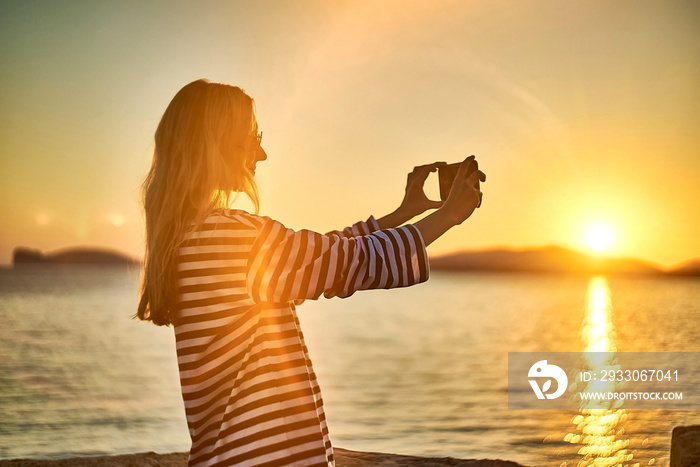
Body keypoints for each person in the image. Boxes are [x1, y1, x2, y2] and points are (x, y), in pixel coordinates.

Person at [137, 79, 485, 467]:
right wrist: (448, 216)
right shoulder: (231, 236)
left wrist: (403, 214)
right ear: (215, 143)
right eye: (251, 137)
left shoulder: (193, 239)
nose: (262, 153)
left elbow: (321, 254)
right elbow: (350, 263)